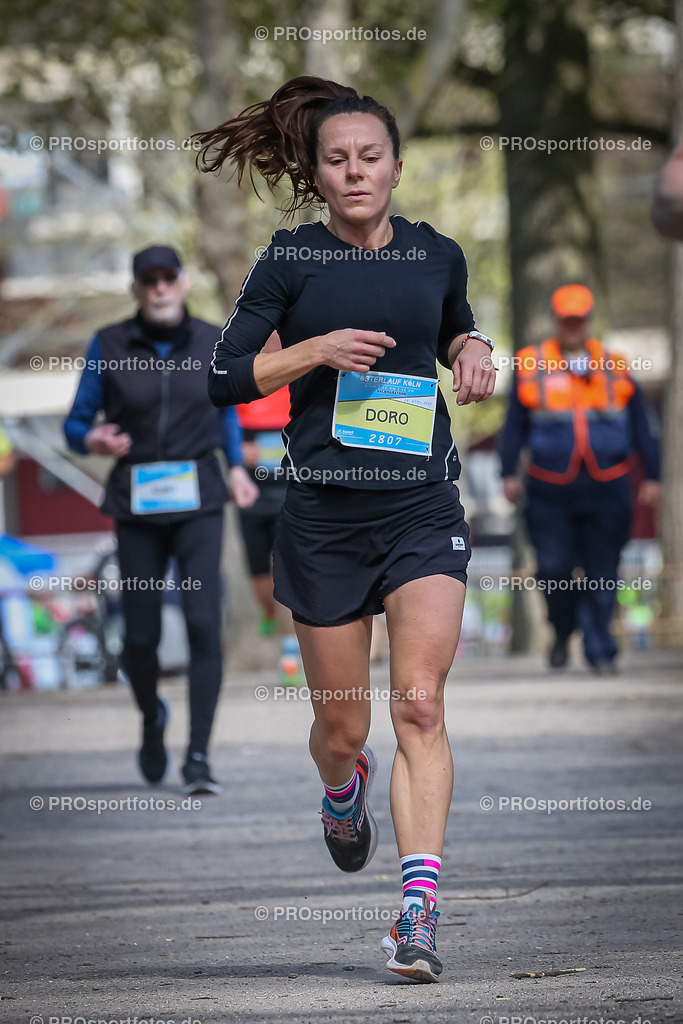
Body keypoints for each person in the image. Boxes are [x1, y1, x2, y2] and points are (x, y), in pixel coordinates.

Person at [195, 75, 496, 982]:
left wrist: (473, 351)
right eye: (337, 159)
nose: (355, 171)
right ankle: (340, 792)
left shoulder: (437, 254)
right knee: (342, 727)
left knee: (418, 705)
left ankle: (417, 913)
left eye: (371, 157)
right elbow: (225, 376)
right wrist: (315, 351)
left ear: (397, 169)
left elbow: (454, 330)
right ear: (316, 173)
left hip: (418, 506)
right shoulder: (288, 263)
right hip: (322, 516)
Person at [64, 245, 258, 794]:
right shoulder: (109, 344)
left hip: (199, 499)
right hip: (137, 503)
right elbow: (75, 425)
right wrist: (92, 438)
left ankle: (198, 757)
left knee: (202, 623)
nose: (158, 288)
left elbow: (227, 412)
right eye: (147, 280)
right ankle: (152, 718)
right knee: (141, 638)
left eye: (167, 277)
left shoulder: (214, 340)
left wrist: (237, 468)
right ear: (135, 289)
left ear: (183, 280)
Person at [500, 284, 661, 673]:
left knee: (603, 568)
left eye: (579, 319)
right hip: (548, 486)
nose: (572, 326)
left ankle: (600, 649)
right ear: (557, 320)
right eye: (566, 319)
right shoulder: (531, 363)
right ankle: (563, 627)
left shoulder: (616, 365)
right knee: (553, 568)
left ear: (588, 320)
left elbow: (642, 426)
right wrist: (507, 472)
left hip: (609, 483)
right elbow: (513, 427)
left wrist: (654, 476)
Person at [235, 332, 304, 686]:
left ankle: (290, 655)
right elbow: (224, 425)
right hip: (250, 495)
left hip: (290, 491)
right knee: (263, 589)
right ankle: (268, 611)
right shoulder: (243, 377)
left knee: (283, 579)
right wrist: (237, 453)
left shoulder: (301, 374)